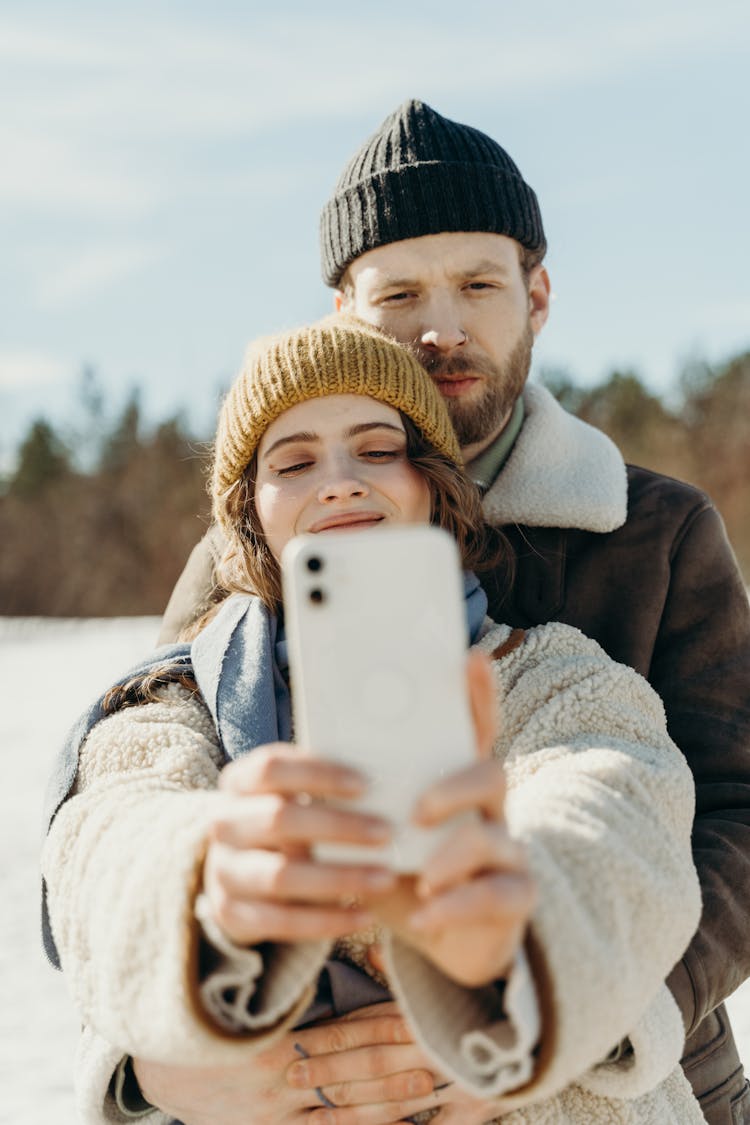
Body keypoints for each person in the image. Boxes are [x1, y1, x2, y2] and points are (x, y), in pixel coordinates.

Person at [145, 99, 750, 1125]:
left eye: (479, 284)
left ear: (538, 294)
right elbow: (154, 822)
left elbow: (737, 814)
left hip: (630, 1075)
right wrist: (164, 1059)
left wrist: (550, 1024)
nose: (442, 326)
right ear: (344, 312)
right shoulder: (237, 563)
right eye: (401, 292)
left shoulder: (652, 532)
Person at [42, 315, 707, 1125]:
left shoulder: (550, 670)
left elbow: (620, 803)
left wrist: (516, 915)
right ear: (250, 510)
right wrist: (212, 887)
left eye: (378, 448)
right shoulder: (171, 704)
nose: (340, 480)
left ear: (432, 480)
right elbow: (107, 843)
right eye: (293, 461)